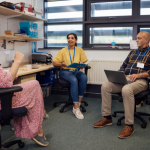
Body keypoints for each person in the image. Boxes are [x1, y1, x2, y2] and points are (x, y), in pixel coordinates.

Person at [93, 31, 150, 139]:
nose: (136, 40)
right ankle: (107, 117)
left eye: (139, 38)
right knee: (105, 86)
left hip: (141, 81)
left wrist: (140, 75)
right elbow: (123, 66)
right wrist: (121, 73)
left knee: (126, 89)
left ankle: (129, 125)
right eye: (136, 38)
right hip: (126, 79)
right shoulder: (132, 52)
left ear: (146, 40)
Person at [0, 52, 49, 146]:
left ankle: (41, 114)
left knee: (33, 88)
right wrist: (17, 61)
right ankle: (39, 129)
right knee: (34, 88)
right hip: (2, 99)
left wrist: (9, 76)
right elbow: (5, 82)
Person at [52, 33, 88, 119]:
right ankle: (75, 108)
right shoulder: (63, 50)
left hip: (75, 70)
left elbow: (85, 61)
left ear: (76, 40)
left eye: (72, 38)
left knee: (83, 77)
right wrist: (61, 63)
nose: (70, 40)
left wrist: (83, 65)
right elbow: (54, 62)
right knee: (74, 80)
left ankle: (78, 103)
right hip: (65, 71)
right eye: (68, 38)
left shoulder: (79, 50)